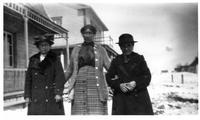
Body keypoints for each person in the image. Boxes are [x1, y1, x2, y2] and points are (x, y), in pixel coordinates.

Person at [65, 25, 111, 115]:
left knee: (96, 112)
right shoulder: (76, 49)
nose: (88, 35)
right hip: (79, 84)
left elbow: (110, 68)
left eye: (90, 33)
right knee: (79, 112)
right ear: (82, 34)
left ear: (94, 34)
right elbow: (70, 69)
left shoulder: (101, 49)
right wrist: (59, 82)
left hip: (95, 84)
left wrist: (120, 80)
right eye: (85, 33)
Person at [106, 33, 153, 115]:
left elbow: (147, 77)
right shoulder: (116, 61)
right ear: (120, 47)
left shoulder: (139, 59)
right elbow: (109, 77)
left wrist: (136, 83)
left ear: (133, 45)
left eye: (129, 45)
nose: (126, 48)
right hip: (121, 99)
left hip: (139, 98)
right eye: (123, 46)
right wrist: (119, 85)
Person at [24, 34, 65, 115]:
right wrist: (27, 95)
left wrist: (58, 93)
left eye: (46, 45)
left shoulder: (55, 59)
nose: (44, 47)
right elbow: (28, 79)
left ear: (50, 46)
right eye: (42, 45)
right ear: (38, 47)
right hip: (36, 95)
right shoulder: (33, 59)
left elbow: (59, 77)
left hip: (51, 95)